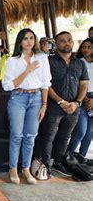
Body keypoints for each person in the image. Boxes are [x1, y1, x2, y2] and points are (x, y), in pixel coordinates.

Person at [2, 29, 51, 185]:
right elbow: (8, 85)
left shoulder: (42, 58)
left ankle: (26, 168)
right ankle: (13, 169)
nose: (29, 41)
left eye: (31, 38)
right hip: (18, 98)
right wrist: (27, 70)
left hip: (37, 98)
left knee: (30, 136)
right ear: (19, 42)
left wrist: (44, 105)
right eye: (25, 38)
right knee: (17, 135)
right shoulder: (13, 60)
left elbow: (45, 84)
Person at [37, 31, 88, 177]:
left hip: (73, 108)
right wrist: (60, 101)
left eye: (69, 40)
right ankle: (46, 165)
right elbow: (46, 84)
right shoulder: (49, 62)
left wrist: (77, 103)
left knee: (65, 137)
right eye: (62, 41)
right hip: (54, 107)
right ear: (56, 43)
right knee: (49, 136)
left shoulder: (80, 63)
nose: (67, 43)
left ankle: (58, 163)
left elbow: (84, 84)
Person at [67, 38, 93, 158]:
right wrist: (86, 99)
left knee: (90, 132)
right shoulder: (78, 62)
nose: (86, 49)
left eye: (89, 47)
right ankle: (68, 156)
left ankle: (81, 158)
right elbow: (77, 83)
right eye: (84, 47)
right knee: (81, 130)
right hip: (81, 97)